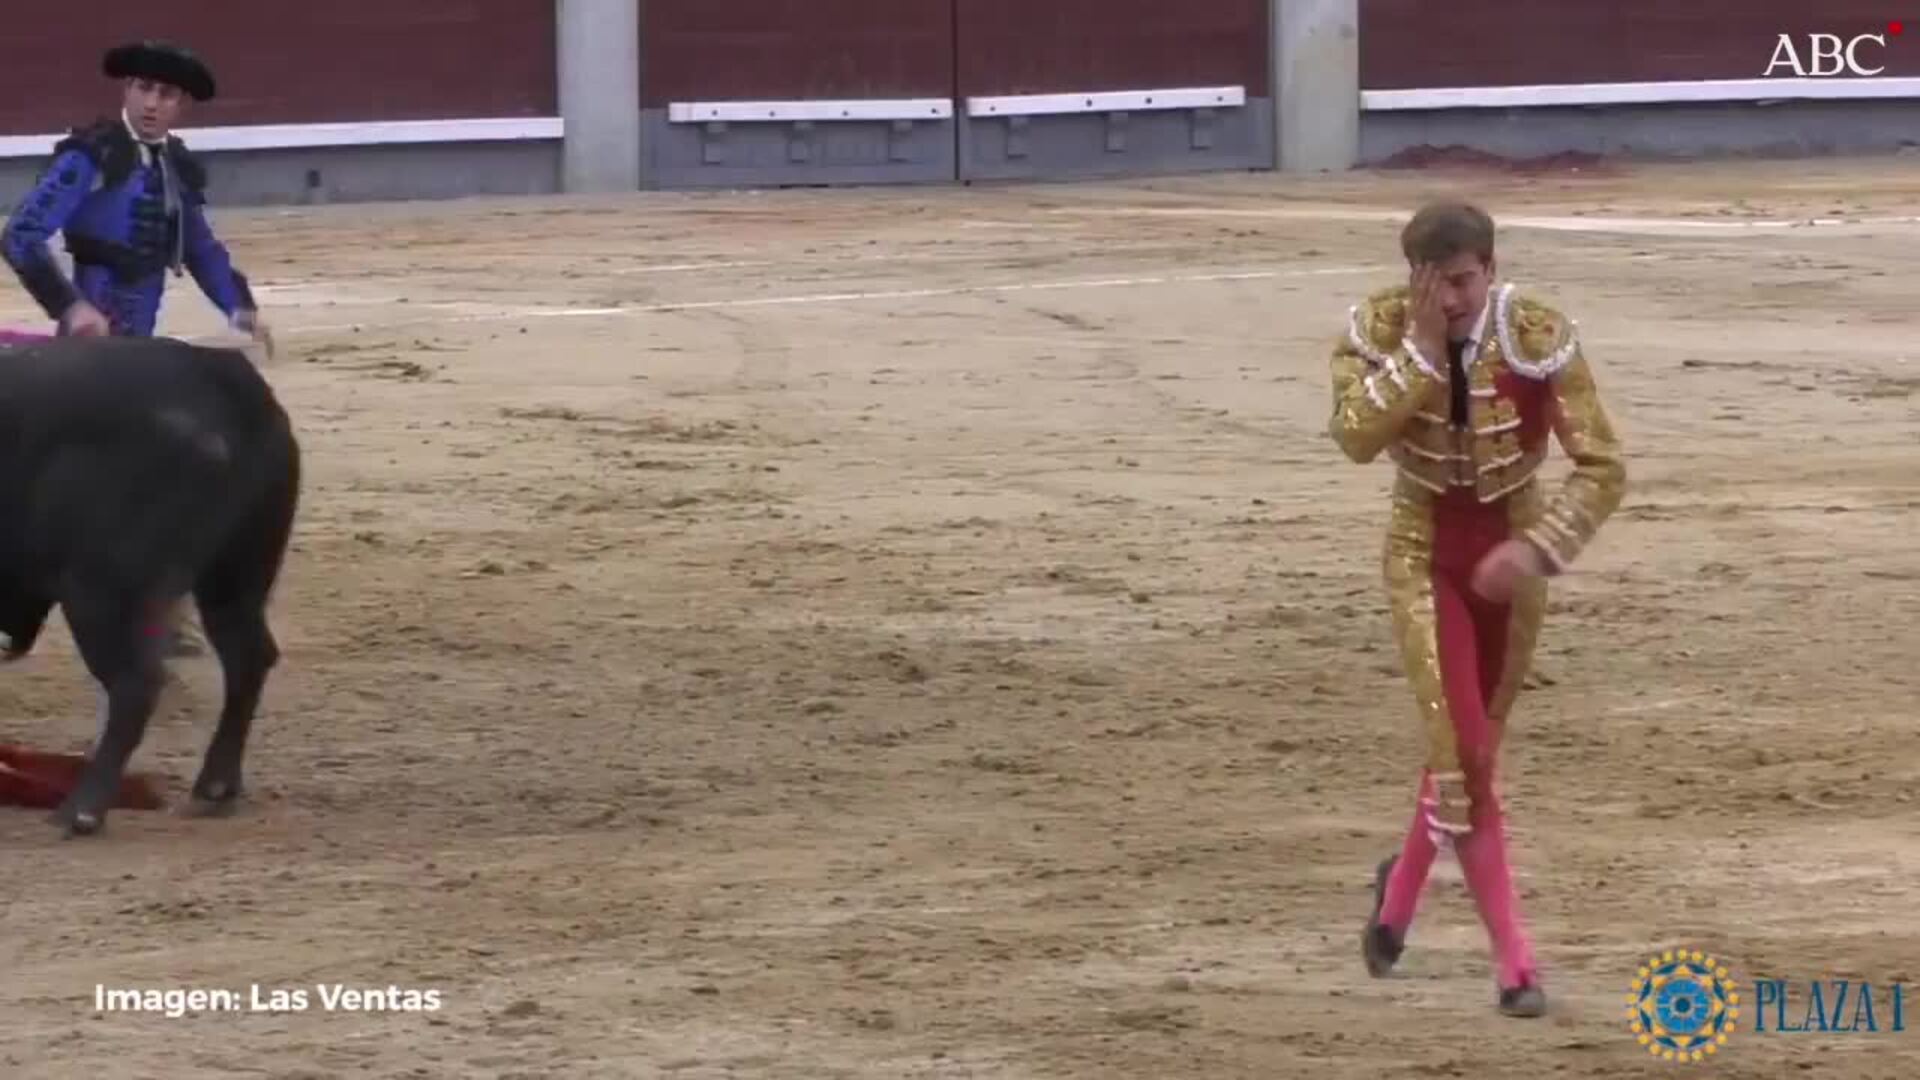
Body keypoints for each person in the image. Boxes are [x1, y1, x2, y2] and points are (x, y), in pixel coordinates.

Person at [1326, 200, 1626, 1018]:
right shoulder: (1383, 329)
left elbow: (1602, 466)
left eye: (1461, 282)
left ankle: (1395, 908)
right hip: (1423, 554)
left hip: (1510, 561)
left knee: (1473, 750)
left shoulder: (1536, 334)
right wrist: (1419, 355)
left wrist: (1538, 550)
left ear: (1489, 271)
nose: (1450, 300)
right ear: (1412, 279)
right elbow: (1353, 436)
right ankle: (1515, 966)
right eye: (1432, 284)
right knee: (1460, 748)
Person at [2, 39, 272, 658]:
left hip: (138, 356)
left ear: (182, 107)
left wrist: (240, 304)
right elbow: (20, 236)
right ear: (126, 92)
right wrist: (70, 306)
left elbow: (200, 246)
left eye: (169, 95)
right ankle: (18, 608)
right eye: (146, 90)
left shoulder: (175, 168)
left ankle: (157, 609)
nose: (155, 104)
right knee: (62, 489)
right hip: (87, 360)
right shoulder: (91, 157)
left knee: (148, 481)